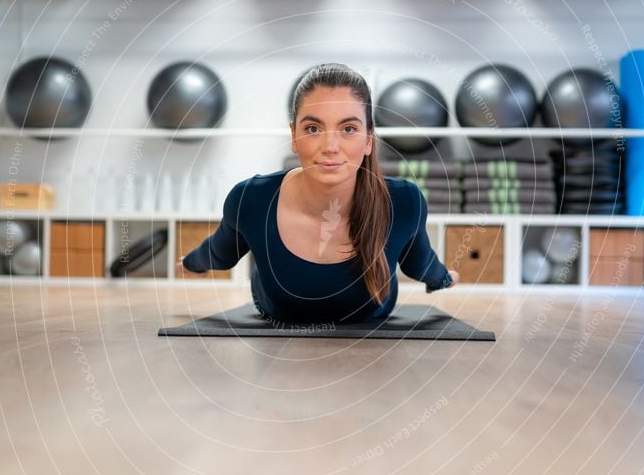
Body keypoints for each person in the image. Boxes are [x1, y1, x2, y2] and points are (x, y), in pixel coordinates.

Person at [176, 62, 460, 323]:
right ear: (294, 137)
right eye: (313, 128)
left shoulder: (404, 202)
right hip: (274, 309)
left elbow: (421, 263)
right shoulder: (251, 199)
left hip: (372, 315)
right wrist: (191, 263)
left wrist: (444, 279)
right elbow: (219, 252)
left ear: (369, 140)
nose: (330, 146)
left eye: (348, 128)